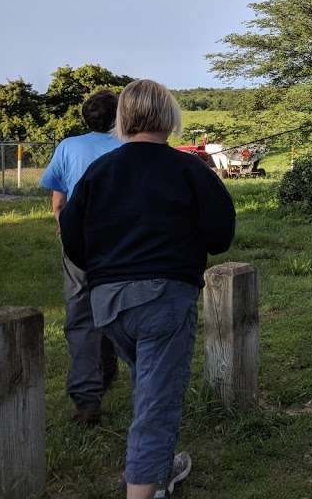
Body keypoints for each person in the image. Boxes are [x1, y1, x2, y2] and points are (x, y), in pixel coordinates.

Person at [60, 79, 236, 499]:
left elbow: (72, 235)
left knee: (149, 381)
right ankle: (143, 489)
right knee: (159, 398)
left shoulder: (98, 172)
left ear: (124, 119)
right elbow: (220, 235)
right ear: (171, 118)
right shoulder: (189, 169)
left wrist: (107, 270)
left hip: (108, 303)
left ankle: (159, 466)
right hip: (164, 299)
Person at [39, 89, 122, 425]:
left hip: (79, 240)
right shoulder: (130, 146)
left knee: (80, 312)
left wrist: (63, 227)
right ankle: (110, 366)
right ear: (120, 117)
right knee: (118, 306)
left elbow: (58, 201)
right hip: (121, 240)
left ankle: (87, 400)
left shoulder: (68, 147)